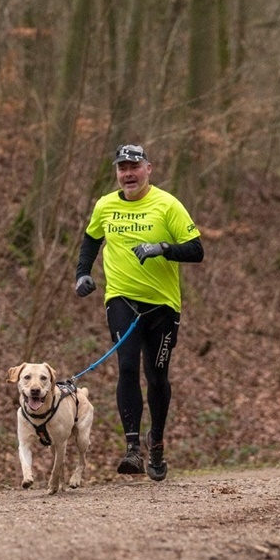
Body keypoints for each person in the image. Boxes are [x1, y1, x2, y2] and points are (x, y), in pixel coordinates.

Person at [74, 143, 204, 481]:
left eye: (134, 167)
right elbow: (91, 240)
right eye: (122, 168)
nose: (128, 174)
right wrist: (83, 274)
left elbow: (196, 249)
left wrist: (162, 248)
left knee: (157, 376)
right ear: (117, 173)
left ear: (149, 169)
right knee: (127, 367)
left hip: (162, 305)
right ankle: (132, 448)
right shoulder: (105, 205)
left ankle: (156, 443)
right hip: (122, 299)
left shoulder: (167, 204)